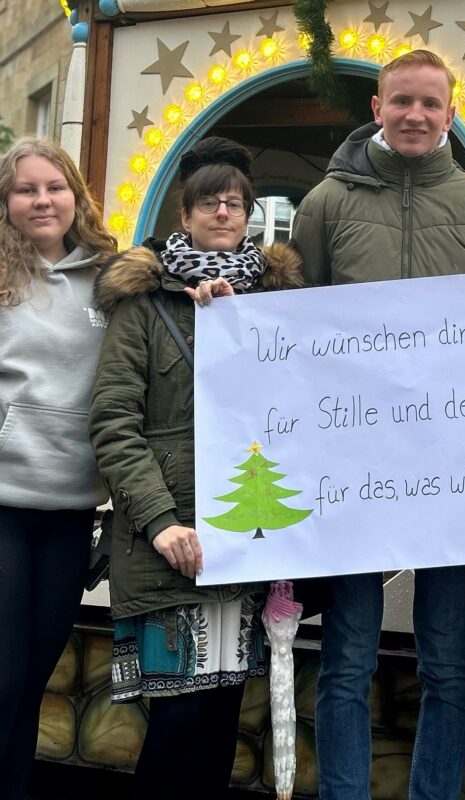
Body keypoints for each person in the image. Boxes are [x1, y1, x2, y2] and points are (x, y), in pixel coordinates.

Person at [291, 49, 465, 799]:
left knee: (447, 656)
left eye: (430, 104)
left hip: (452, 464)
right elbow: (299, 320)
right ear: (378, 108)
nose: (415, 115)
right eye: (401, 102)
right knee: (349, 653)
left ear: (450, 115)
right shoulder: (326, 202)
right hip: (355, 466)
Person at [89, 137, 304, 798]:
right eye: (208, 201)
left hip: (243, 542)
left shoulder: (274, 303)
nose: (222, 212)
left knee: (219, 725)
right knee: (176, 722)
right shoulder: (143, 303)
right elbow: (114, 421)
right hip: (170, 546)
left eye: (235, 202)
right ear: (184, 214)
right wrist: (158, 522)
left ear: (249, 216)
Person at [0, 137, 117, 799]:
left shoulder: (115, 276)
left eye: (54, 187)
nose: (42, 200)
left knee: (32, 684)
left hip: (72, 512)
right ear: (6, 203)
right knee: (2, 679)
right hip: (4, 506)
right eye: (25, 189)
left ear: (76, 196)